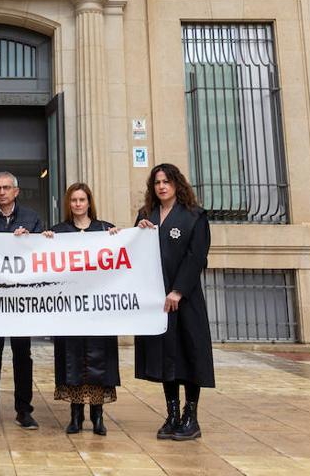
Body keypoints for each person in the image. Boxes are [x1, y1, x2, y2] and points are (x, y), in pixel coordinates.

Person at [133, 163, 214, 442]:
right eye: (157, 182)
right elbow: (133, 252)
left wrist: (178, 290)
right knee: (166, 358)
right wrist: (139, 232)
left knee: (189, 355)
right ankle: (172, 414)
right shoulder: (146, 215)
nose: (162, 186)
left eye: (167, 181)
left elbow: (197, 257)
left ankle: (191, 416)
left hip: (184, 300)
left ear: (177, 184)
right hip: (157, 301)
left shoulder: (194, 216)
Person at [42, 182, 121, 435]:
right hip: (70, 310)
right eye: (73, 200)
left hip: (99, 310)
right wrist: (43, 242)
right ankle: (75, 416)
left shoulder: (105, 230)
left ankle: (98, 416)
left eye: (82, 200)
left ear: (89, 202)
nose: (78, 204)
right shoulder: (58, 232)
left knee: (99, 360)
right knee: (72, 359)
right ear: (69, 204)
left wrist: (123, 238)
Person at [0, 171, 44, 430]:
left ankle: (24, 411)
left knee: (22, 355)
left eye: (6, 188)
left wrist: (32, 240)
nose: (1, 192)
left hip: (21, 302)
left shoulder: (32, 219)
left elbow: (43, 255)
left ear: (16, 191)